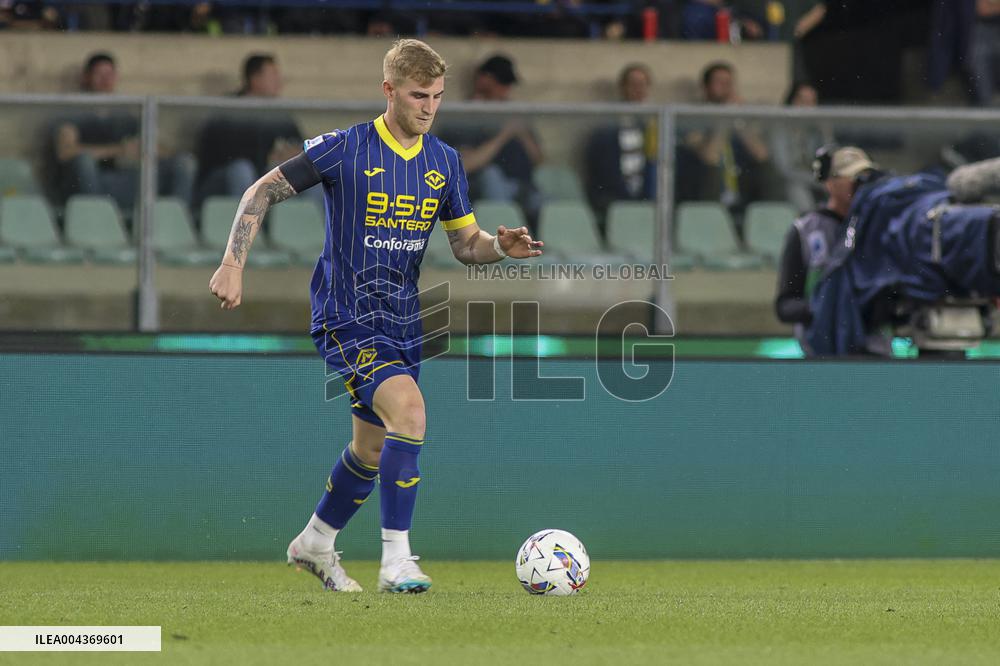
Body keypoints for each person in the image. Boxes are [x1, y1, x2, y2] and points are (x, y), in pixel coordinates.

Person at [208, 39, 543, 593]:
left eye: (437, 96)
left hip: (403, 321)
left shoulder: (444, 162)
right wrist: (231, 263)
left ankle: (315, 542)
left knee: (373, 447)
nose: (429, 107)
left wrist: (500, 247)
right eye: (418, 95)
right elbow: (261, 191)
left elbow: (465, 246)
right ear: (389, 90)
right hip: (346, 315)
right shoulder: (345, 148)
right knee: (410, 412)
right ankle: (397, 560)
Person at [51, 52, 194, 212]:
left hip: (125, 182)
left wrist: (143, 148)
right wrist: (119, 150)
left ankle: (175, 219)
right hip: (89, 186)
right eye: (99, 74)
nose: (106, 80)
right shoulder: (74, 112)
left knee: (183, 162)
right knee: (84, 162)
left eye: (110, 74)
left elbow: (156, 147)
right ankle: (97, 218)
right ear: (86, 77)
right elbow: (65, 151)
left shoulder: (125, 115)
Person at [775, 145, 875, 354]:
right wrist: (826, 308)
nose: (859, 185)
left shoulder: (880, 227)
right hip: (822, 354)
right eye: (852, 178)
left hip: (874, 351)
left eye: (864, 177)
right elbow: (785, 306)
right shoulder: (805, 231)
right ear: (830, 182)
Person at [440, 54, 544, 226]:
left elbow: (539, 161)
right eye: (501, 83)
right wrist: (504, 135)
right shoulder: (463, 117)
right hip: (479, 195)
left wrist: (521, 133)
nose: (506, 90)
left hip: (522, 188)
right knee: (491, 176)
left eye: (508, 84)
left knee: (547, 198)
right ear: (482, 80)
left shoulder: (512, 115)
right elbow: (465, 164)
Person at [194, 54, 305, 207]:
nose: (279, 81)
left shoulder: (276, 112)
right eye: (273, 75)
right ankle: (246, 227)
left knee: (292, 170)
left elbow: (300, 145)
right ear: (255, 79)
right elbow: (218, 154)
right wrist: (266, 156)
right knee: (242, 169)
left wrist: (289, 154)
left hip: (258, 179)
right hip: (221, 180)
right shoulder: (229, 108)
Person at [680, 61, 773, 227]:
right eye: (719, 82)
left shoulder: (741, 116)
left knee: (769, 170)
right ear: (705, 87)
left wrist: (739, 120)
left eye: (729, 83)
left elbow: (762, 154)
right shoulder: (693, 116)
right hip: (706, 193)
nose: (726, 87)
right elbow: (709, 157)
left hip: (742, 192)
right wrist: (725, 117)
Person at [584, 63, 656, 234]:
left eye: (643, 84)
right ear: (623, 87)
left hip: (646, 197)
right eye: (633, 84)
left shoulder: (654, 123)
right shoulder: (607, 125)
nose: (638, 89)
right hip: (615, 198)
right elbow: (601, 167)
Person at [769, 81, 831, 213]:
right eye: (802, 101)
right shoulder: (779, 128)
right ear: (791, 102)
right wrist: (818, 182)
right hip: (784, 183)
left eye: (812, 102)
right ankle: (807, 225)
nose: (807, 107)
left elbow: (830, 157)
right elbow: (784, 169)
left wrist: (825, 130)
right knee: (796, 187)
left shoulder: (815, 130)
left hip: (812, 180)